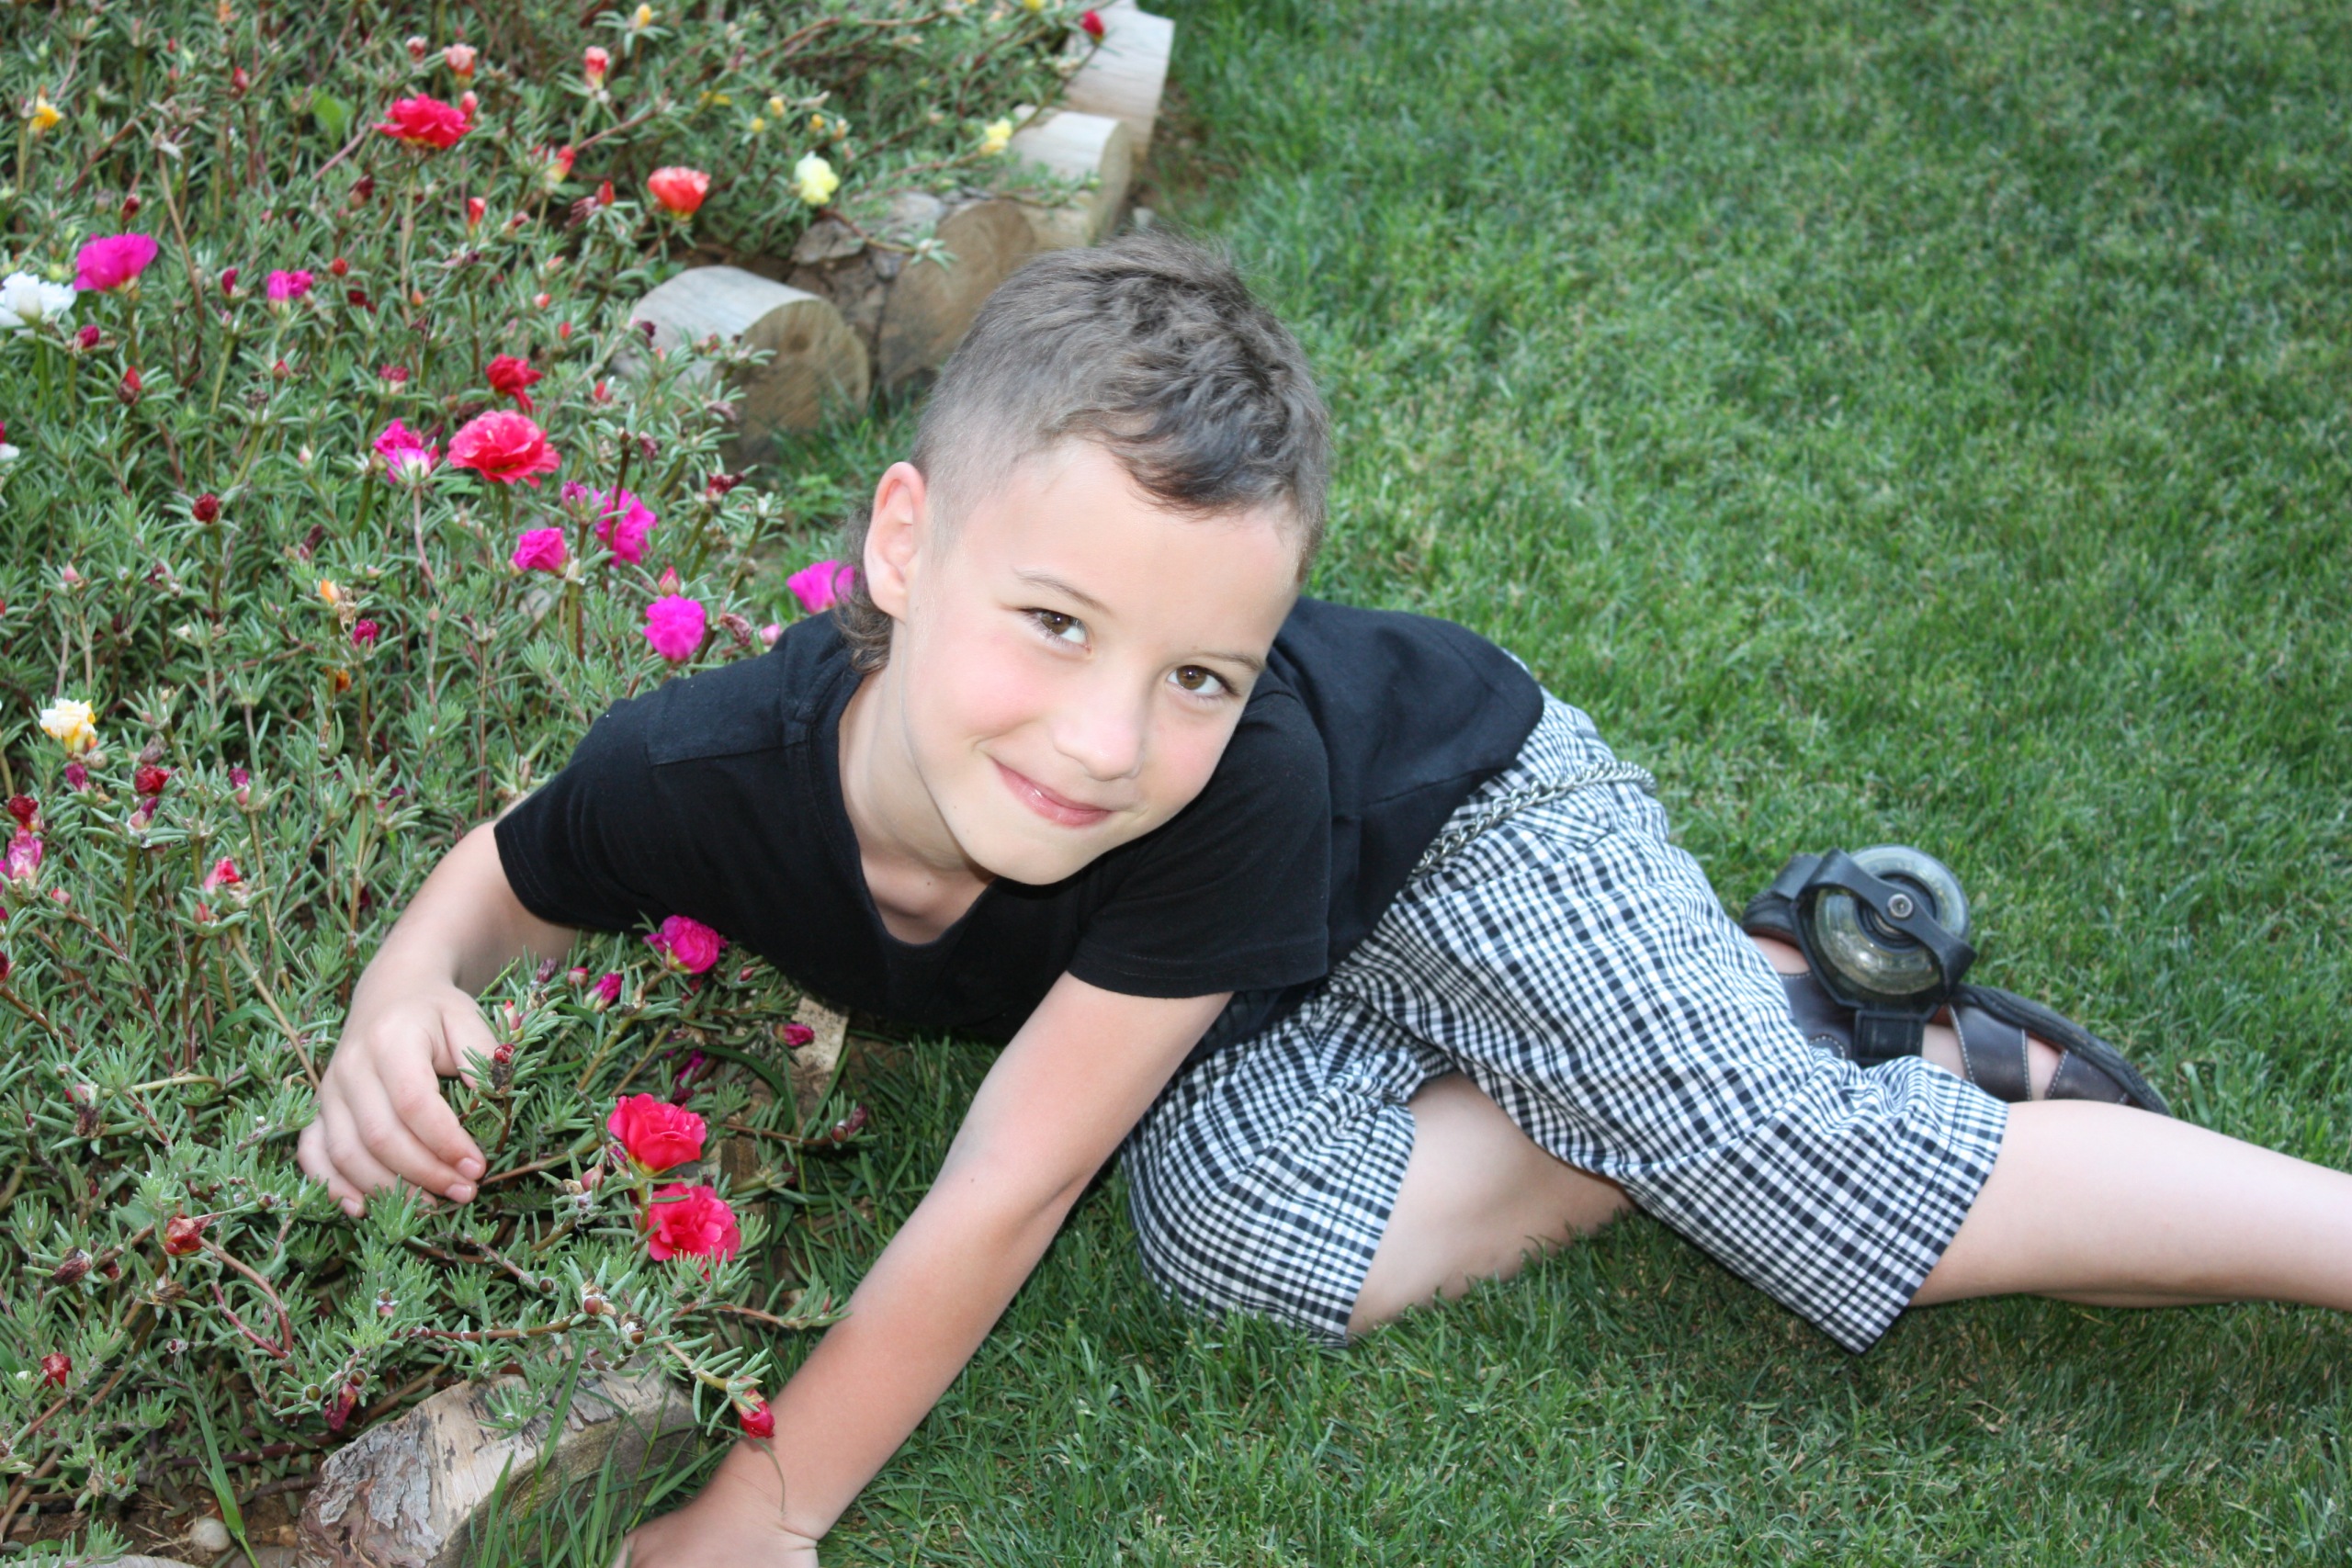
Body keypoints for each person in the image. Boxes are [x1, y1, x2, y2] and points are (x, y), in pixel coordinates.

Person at [298, 233, 2352, 1566]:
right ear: (900, 545)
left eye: (1195, 666)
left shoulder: (1238, 769)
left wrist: (768, 1502)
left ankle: (1817, 1076)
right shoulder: (700, 770)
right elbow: (503, 876)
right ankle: (1738, 1020)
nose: (1108, 737)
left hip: (1456, 832)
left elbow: (1003, 1182)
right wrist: (400, 999)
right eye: (1053, 622)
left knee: (1784, 1161)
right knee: (1236, 1241)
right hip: (1259, 978)